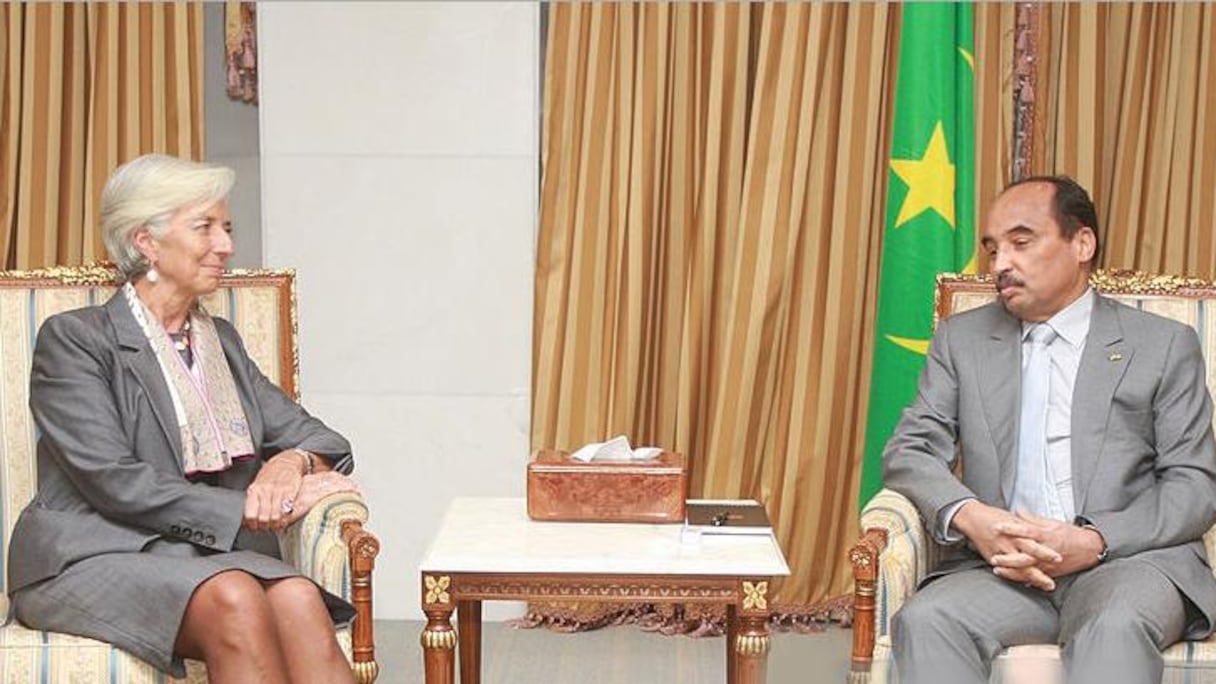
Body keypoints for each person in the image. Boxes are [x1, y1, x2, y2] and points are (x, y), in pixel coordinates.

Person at [6, 154, 361, 683]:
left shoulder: (220, 343)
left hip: (192, 554)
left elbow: (323, 438)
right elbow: (114, 481)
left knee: (299, 597)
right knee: (234, 596)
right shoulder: (76, 341)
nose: (226, 245)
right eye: (205, 228)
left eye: (227, 228)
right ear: (145, 242)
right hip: (89, 553)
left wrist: (289, 463)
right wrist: (245, 507)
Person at [882, 176, 1216, 684]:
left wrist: (1096, 540)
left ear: (1082, 243)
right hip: (1002, 572)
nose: (999, 265)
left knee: (1114, 626)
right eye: (992, 249)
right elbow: (910, 449)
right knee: (927, 620)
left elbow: (1194, 486)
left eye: (1021, 243)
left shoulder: (1164, 344)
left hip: (1128, 563)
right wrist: (974, 519)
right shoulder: (963, 340)